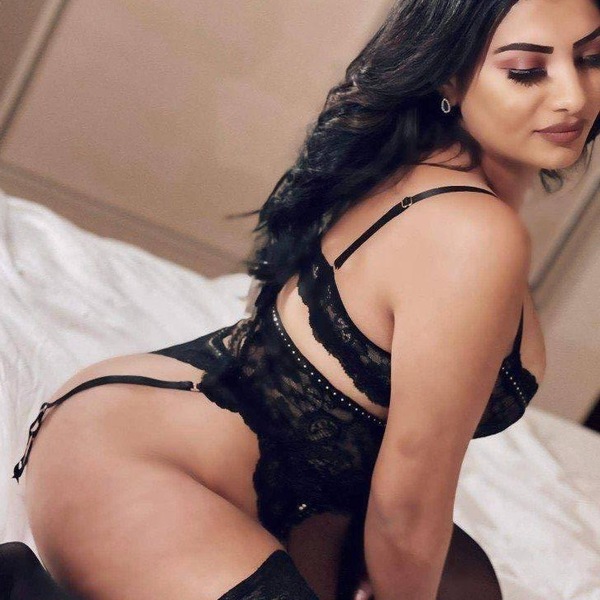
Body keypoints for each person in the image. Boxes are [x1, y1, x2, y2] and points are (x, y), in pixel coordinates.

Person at [2, 0, 599, 597]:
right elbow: (407, 505)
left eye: (593, 59)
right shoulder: (474, 233)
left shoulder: (410, 164)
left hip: (241, 467)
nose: (573, 96)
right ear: (447, 75)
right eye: (527, 71)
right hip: (140, 469)